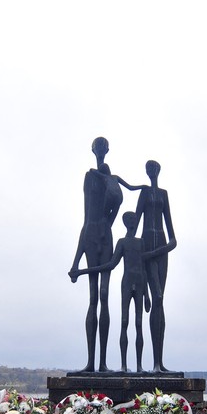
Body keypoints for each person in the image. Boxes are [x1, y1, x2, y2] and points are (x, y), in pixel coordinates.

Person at [68, 137, 124, 372]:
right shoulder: (88, 177)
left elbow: (118, 200)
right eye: (97, 147)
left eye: (103, 147)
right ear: (93, 150)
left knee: (104, 295)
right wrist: (76, 261)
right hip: (91, 233)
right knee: (93, 298)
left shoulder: (108, 177)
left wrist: (108, 223)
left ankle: (102, 363)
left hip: (104, 234)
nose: (100, 150)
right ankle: (91, 362)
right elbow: (86, 216)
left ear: (107, 150)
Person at [74, 212, 150, 372]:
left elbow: (144, 268)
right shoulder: (122, 242)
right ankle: (123, 365)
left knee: (138, 324)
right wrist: (83, 271)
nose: (133, 222)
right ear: (125, 222)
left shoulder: (141, 242)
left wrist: (147, 295)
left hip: (140, 283)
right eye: (130, 219)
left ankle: (139, 366)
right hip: (127, 283)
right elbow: (111, 264)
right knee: (124, 322)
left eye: (134, 219)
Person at [119, 160, 176, 372]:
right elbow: (135, 222)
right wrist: (131, 250)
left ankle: (158, 362)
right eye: (148, 169)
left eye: (154, 169)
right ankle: (155, 364)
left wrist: (158, 251)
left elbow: (173, 239)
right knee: (157, 297)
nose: (151, 171)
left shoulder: (163, 194)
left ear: (158, 171)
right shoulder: (144, 194)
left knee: (161, 301)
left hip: (161, 249)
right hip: (147, 248)